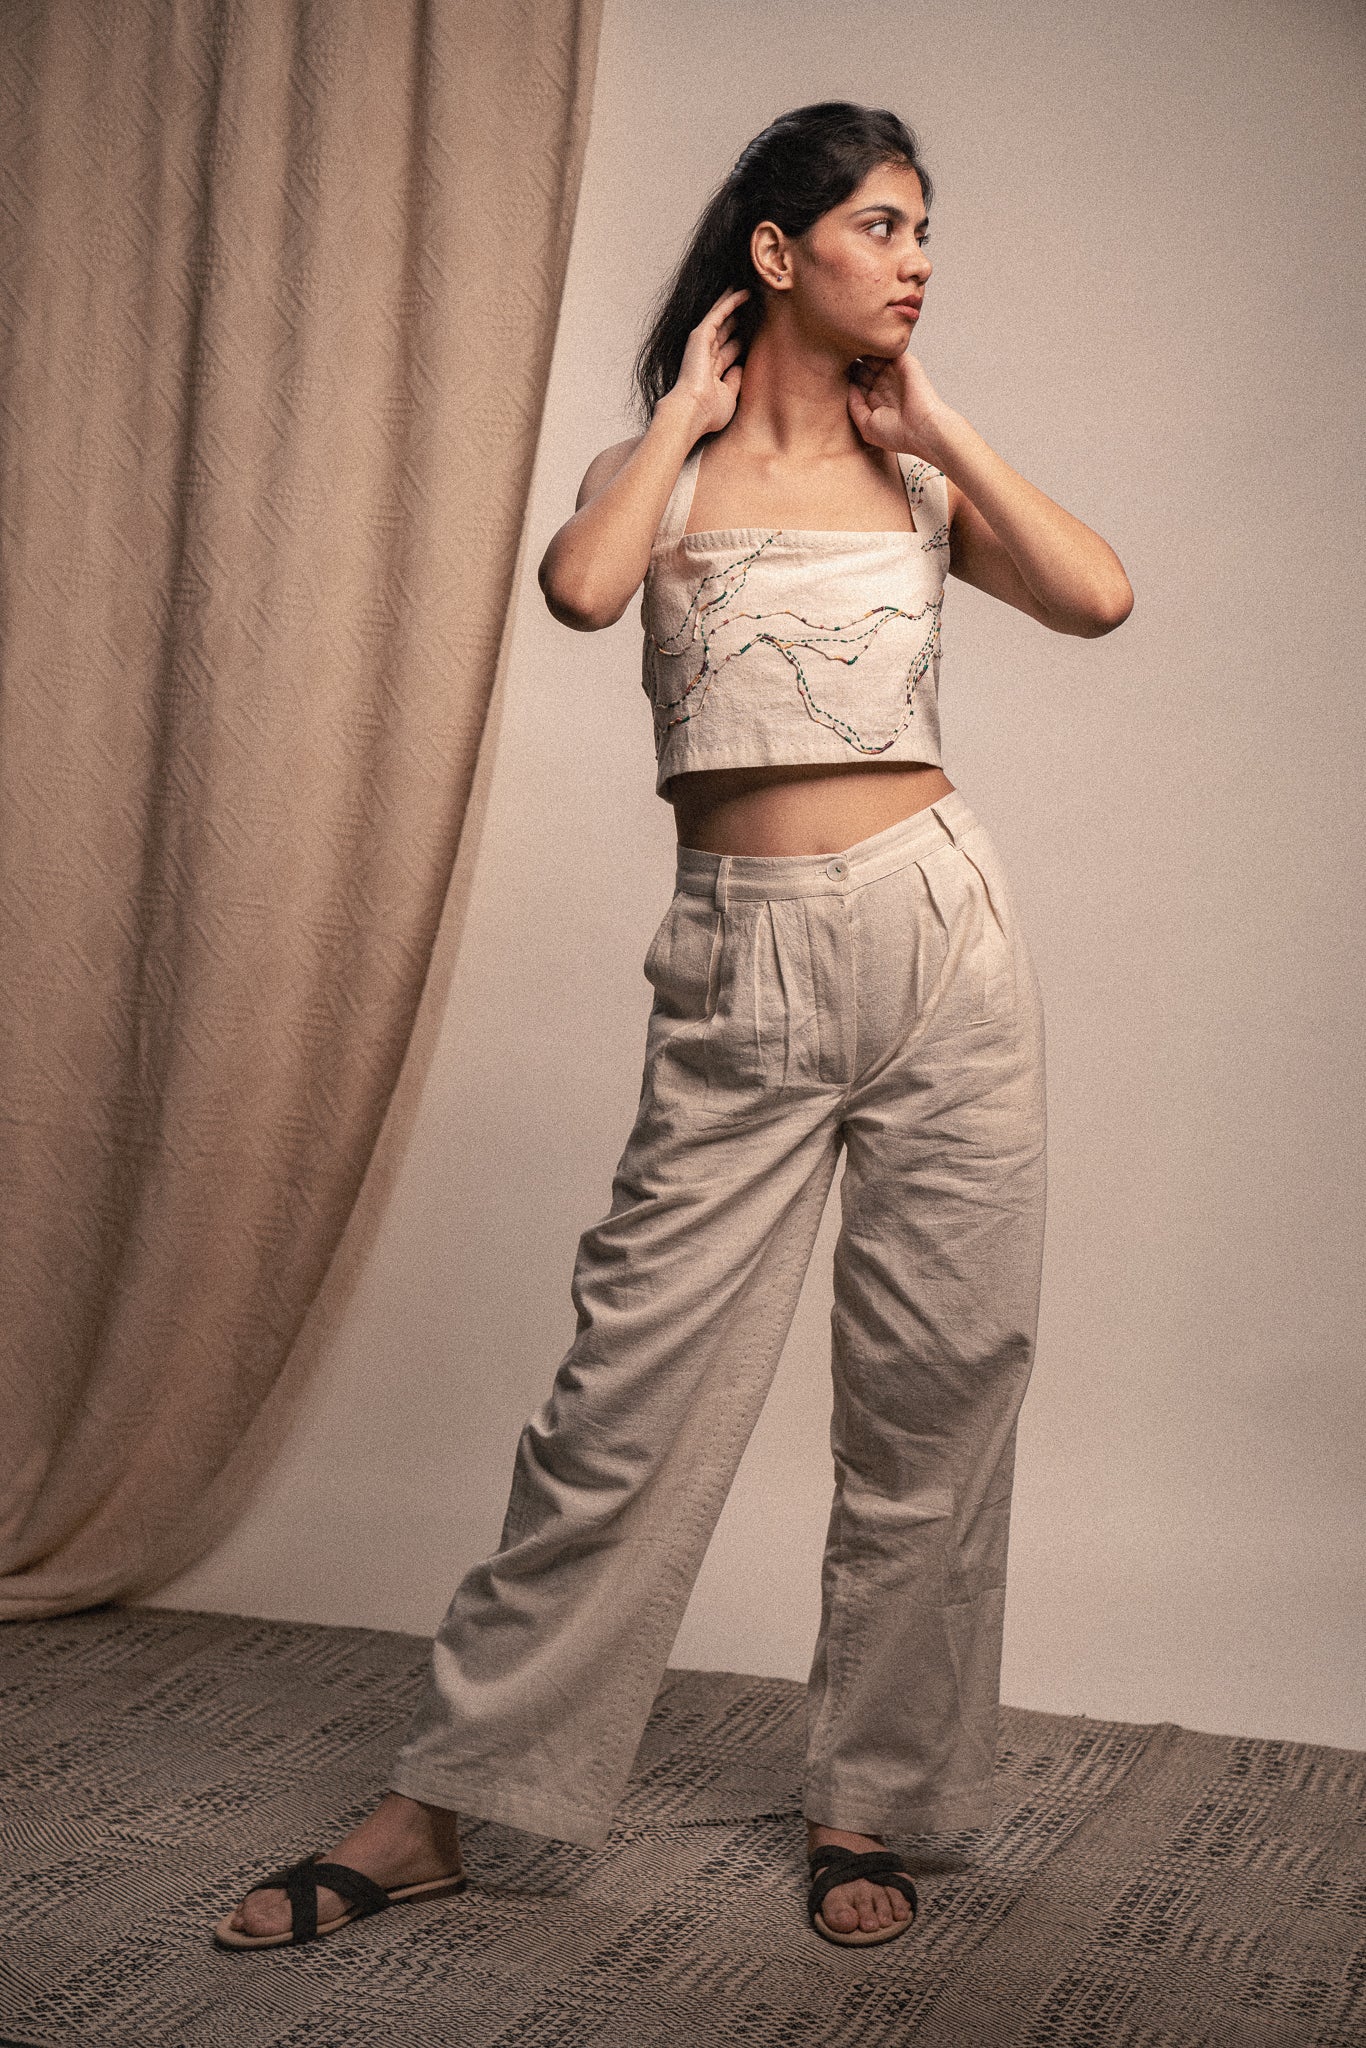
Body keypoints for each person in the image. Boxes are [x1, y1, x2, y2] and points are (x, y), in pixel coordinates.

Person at [215, 100, 1132, 1955]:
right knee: (622, 1405)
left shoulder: (918, 481)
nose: (916, 260)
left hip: (941, 937)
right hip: (742, 958)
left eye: (924, 229)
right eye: (880, 226)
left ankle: (872, 1802)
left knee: (940, 1393)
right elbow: (579, 589)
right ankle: (444, 1804)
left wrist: (936, 422)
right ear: (778, 252)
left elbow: (1098, 598)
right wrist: (677, 420)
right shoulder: (664, 473)